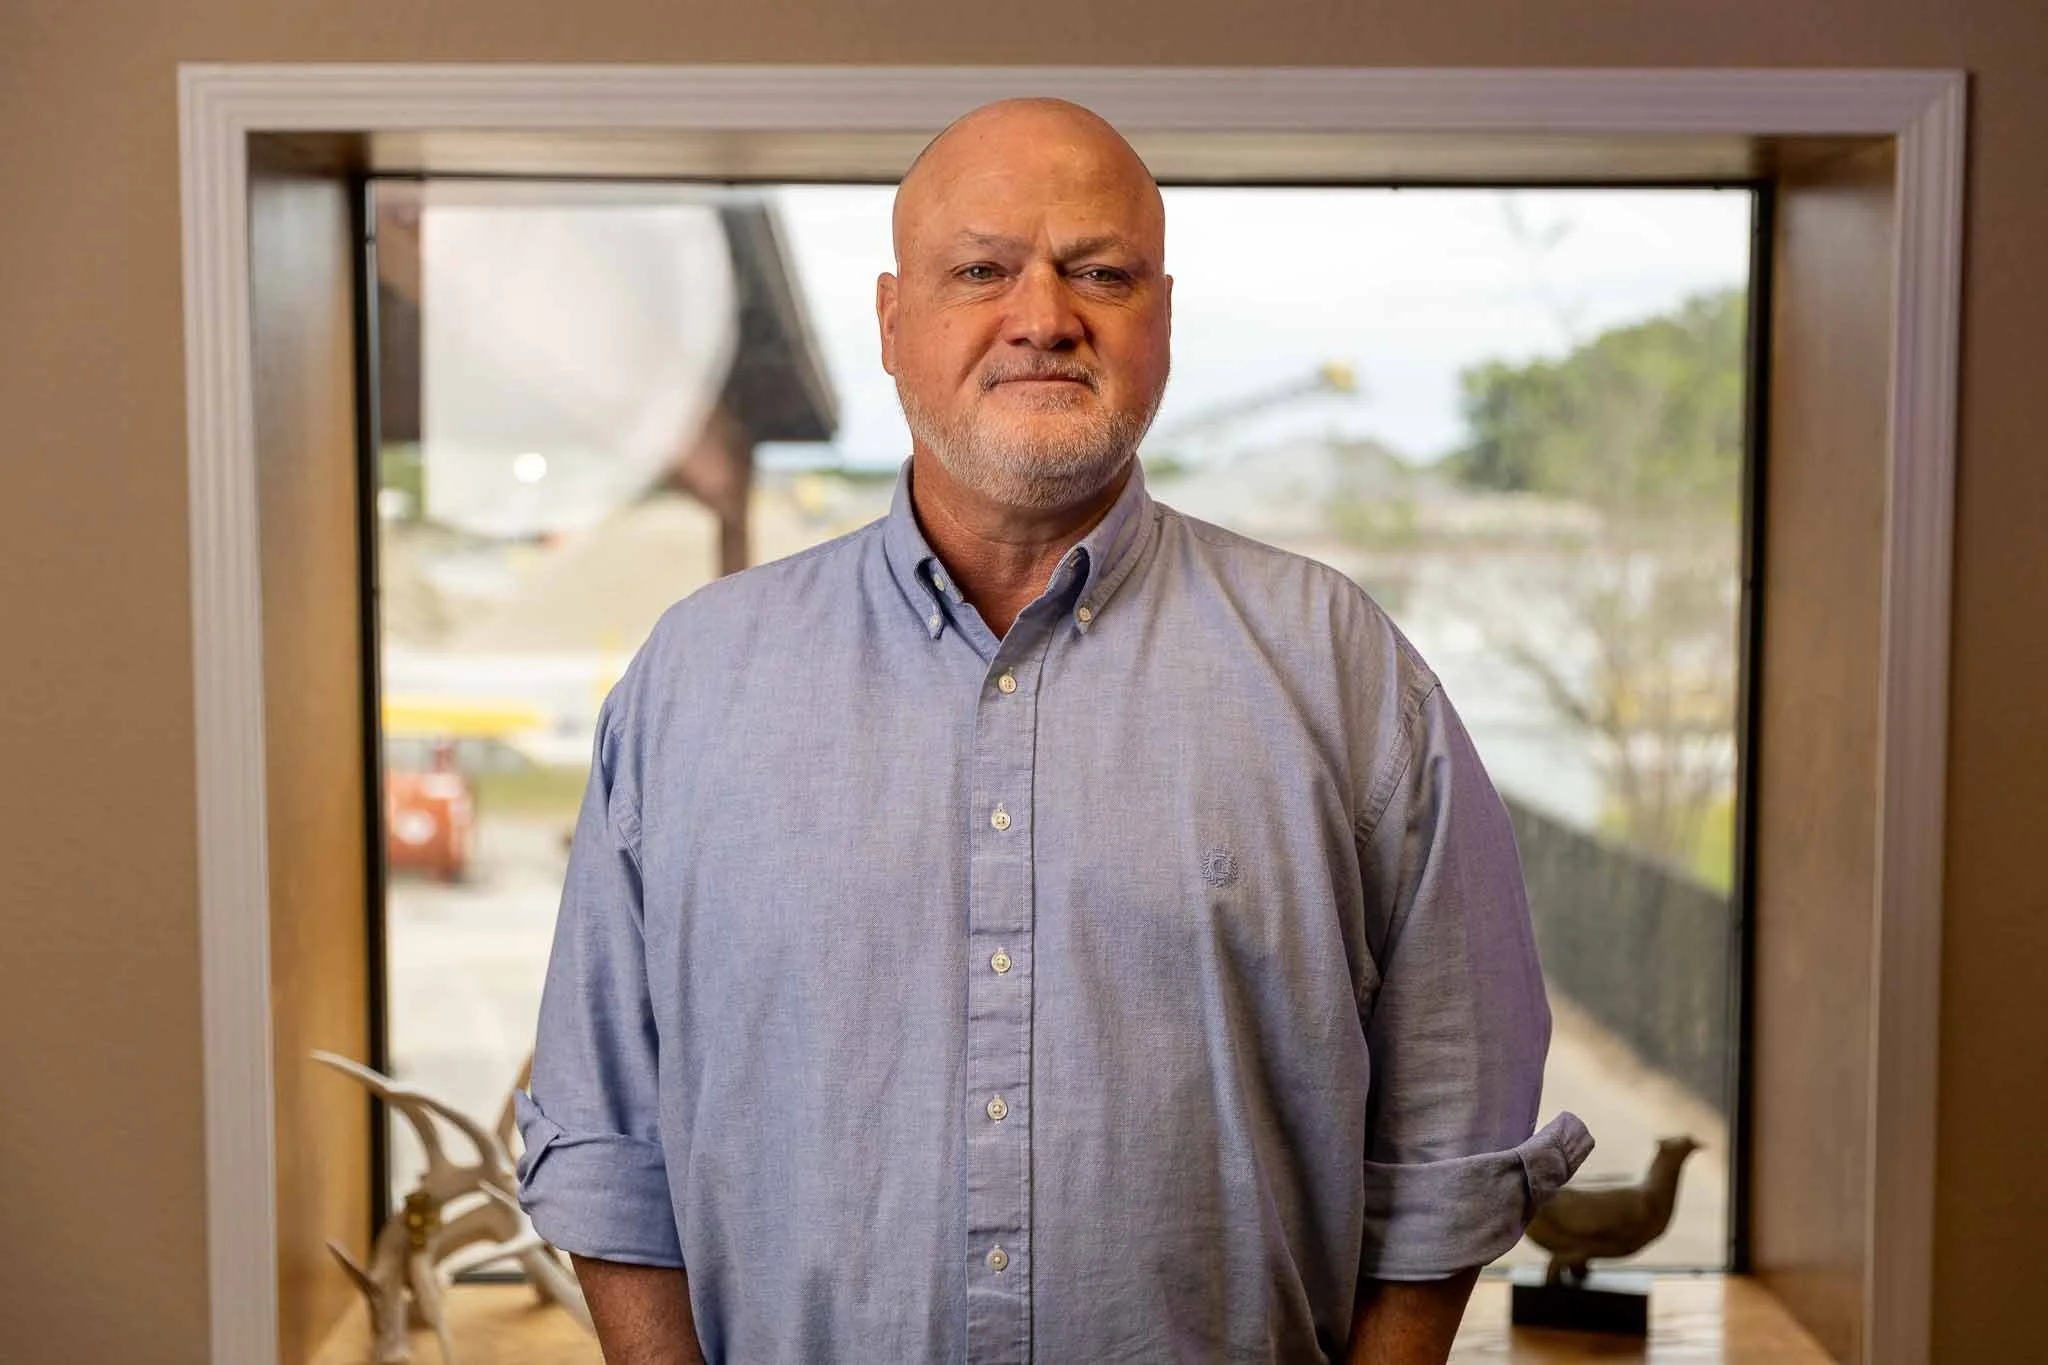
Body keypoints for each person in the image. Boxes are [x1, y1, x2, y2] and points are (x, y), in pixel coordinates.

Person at [516, 97, 1592, 1365]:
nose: (1042, 316)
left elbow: (1450, 1139)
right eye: (980, 269)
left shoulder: (1341, 669)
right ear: (889, 321)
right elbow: (605, 1142)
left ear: (1164, 321)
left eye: (1099, 272)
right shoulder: (690, 683)